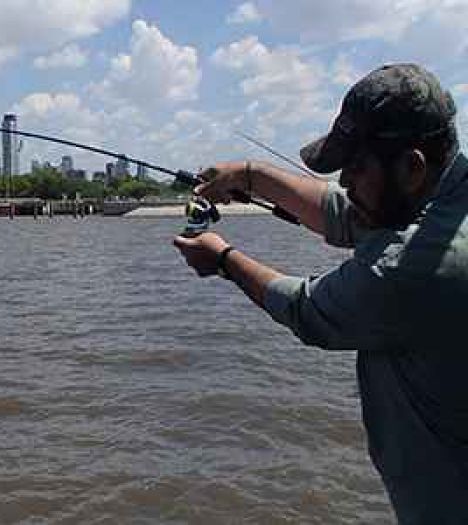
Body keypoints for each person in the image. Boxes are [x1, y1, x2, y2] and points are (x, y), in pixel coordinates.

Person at [174, 63, 468, 524]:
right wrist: (250, 176)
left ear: (412, 167)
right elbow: (351, 214)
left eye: (355, 167)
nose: (346, 183)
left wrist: (225, 260)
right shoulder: (444, 200)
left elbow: (308, 309)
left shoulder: (419, 264)